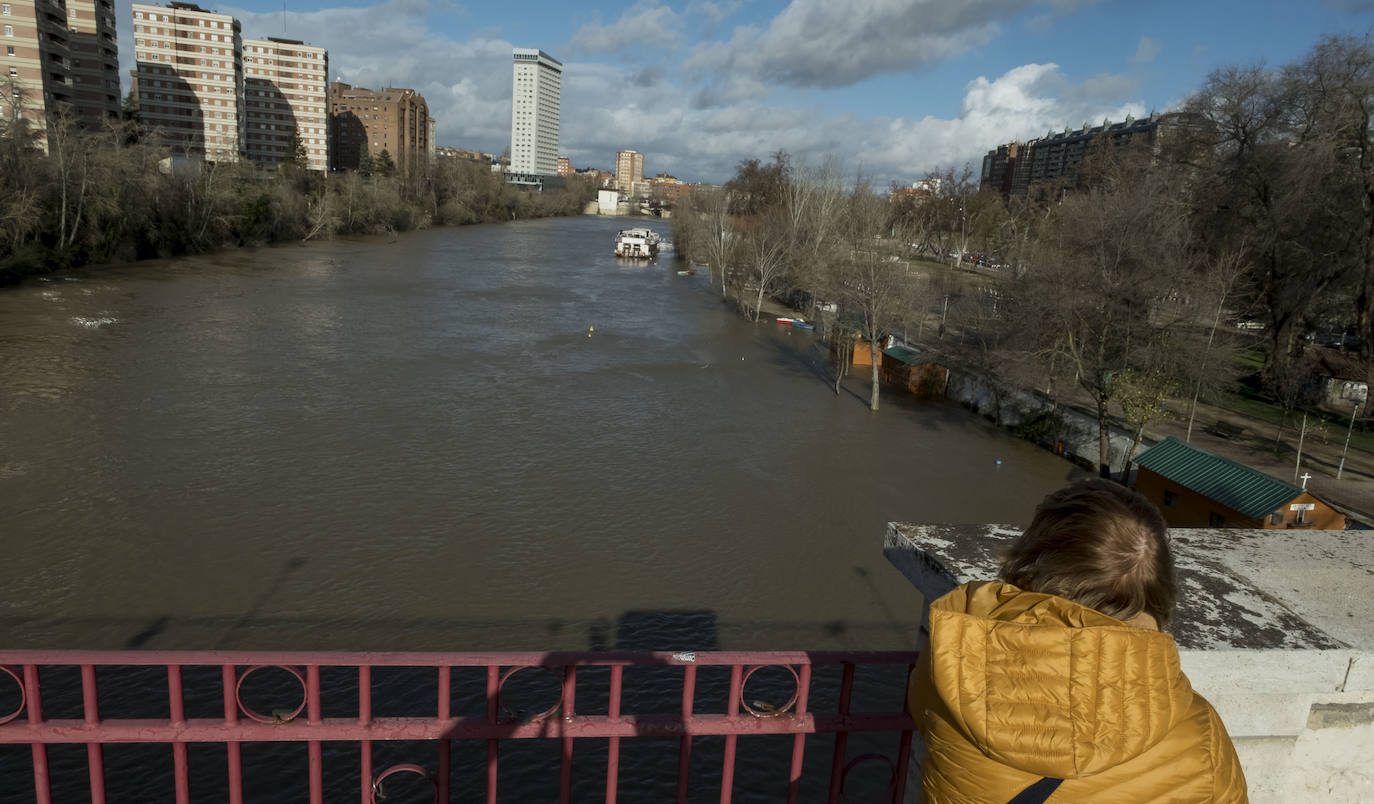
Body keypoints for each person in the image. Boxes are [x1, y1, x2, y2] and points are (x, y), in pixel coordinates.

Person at [906, 478, 1248, 803]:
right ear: (1161, 590)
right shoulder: (1200, 737)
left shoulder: (953, 662)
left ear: (1032, 557)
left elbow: (920, 710)